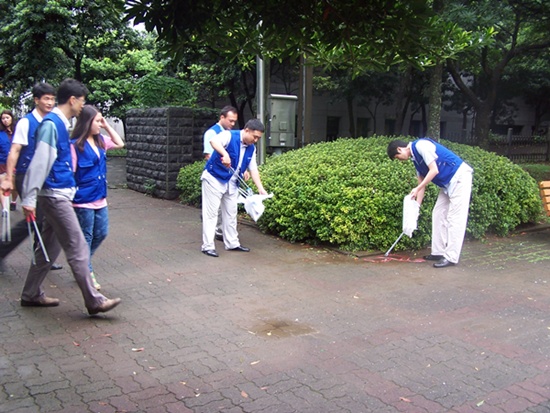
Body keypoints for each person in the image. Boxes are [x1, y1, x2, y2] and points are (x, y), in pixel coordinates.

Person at [19, 78, 121, 315]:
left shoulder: (56, 124)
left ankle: (31, 293)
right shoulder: (52, 125)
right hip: (55, 196)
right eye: (82, 101)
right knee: (77, 246)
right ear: (73, 100)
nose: (81, 107)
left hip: (57, 194)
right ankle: (94, 300)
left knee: (48, 249)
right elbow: (40, 162)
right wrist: (28, 199)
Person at [0, 83, 63, 270]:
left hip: (46, 175)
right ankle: (5, 249)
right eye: (46, 98)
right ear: (36, 100)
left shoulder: (52, 121)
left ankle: (41, 254)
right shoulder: (26, 122)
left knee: (44, 217)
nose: (50, 102)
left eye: (52, 99)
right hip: (26, 175)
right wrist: (9, 178)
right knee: (35, 216)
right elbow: (15, 150)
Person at [387, 138, 473, 268]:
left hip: (459, 177)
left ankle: (451, 257)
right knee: (438, 213)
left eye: (398, 157)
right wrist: (416, 208)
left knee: (455, 218)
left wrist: (417, 188)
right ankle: (438, 252)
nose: (400, 160)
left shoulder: (421, 145)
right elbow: (421, 186)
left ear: (400, 149)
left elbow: (434, 170)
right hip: (447, 184)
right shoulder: (415, 160)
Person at [70, 105, 124, 290]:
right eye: (97, 121)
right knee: (86, 236)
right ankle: (87, 272)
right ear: (87, 122)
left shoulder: (101, 140)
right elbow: (71, 173)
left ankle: (81, 264)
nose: (100, 124)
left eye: (101, 120)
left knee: (101, 233)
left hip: (100, 196)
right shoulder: (76, 145)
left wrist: (108, 126)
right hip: (83, 199)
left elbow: (120, 144)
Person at [201, 118, 267, 257]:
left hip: (232, 182)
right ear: (246, 130)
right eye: (254, 137)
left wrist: (260, 188)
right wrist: (224, 154)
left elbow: (253, 169)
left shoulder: (251, 148)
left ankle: (232, 243)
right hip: (214, 178)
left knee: (231, 213)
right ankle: (207, 246)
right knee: (211, 214)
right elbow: (213, 141)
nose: (255, 140)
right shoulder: (229, 135)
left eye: (258, 138)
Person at [203, 106, 238, 241]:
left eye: (234, 121)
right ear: (222, 117)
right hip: (216, 175)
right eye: (230, 121)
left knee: (227, 208)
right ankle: (215, 234)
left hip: (228, 175)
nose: (233, 124)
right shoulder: (211, 133)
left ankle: (223, 232)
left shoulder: (230, 134)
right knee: (215, 209)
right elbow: (208, 155)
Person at [0, 109, 18, 210]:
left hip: (16, 163)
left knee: (14, 186)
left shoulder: (17, 131)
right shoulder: (1, 133)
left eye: (7, 118)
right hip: (2, 163)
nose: (5, 120)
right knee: (2, 185)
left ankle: (13, 200)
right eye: (3, 118)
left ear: (11, 118)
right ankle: (5, 209)